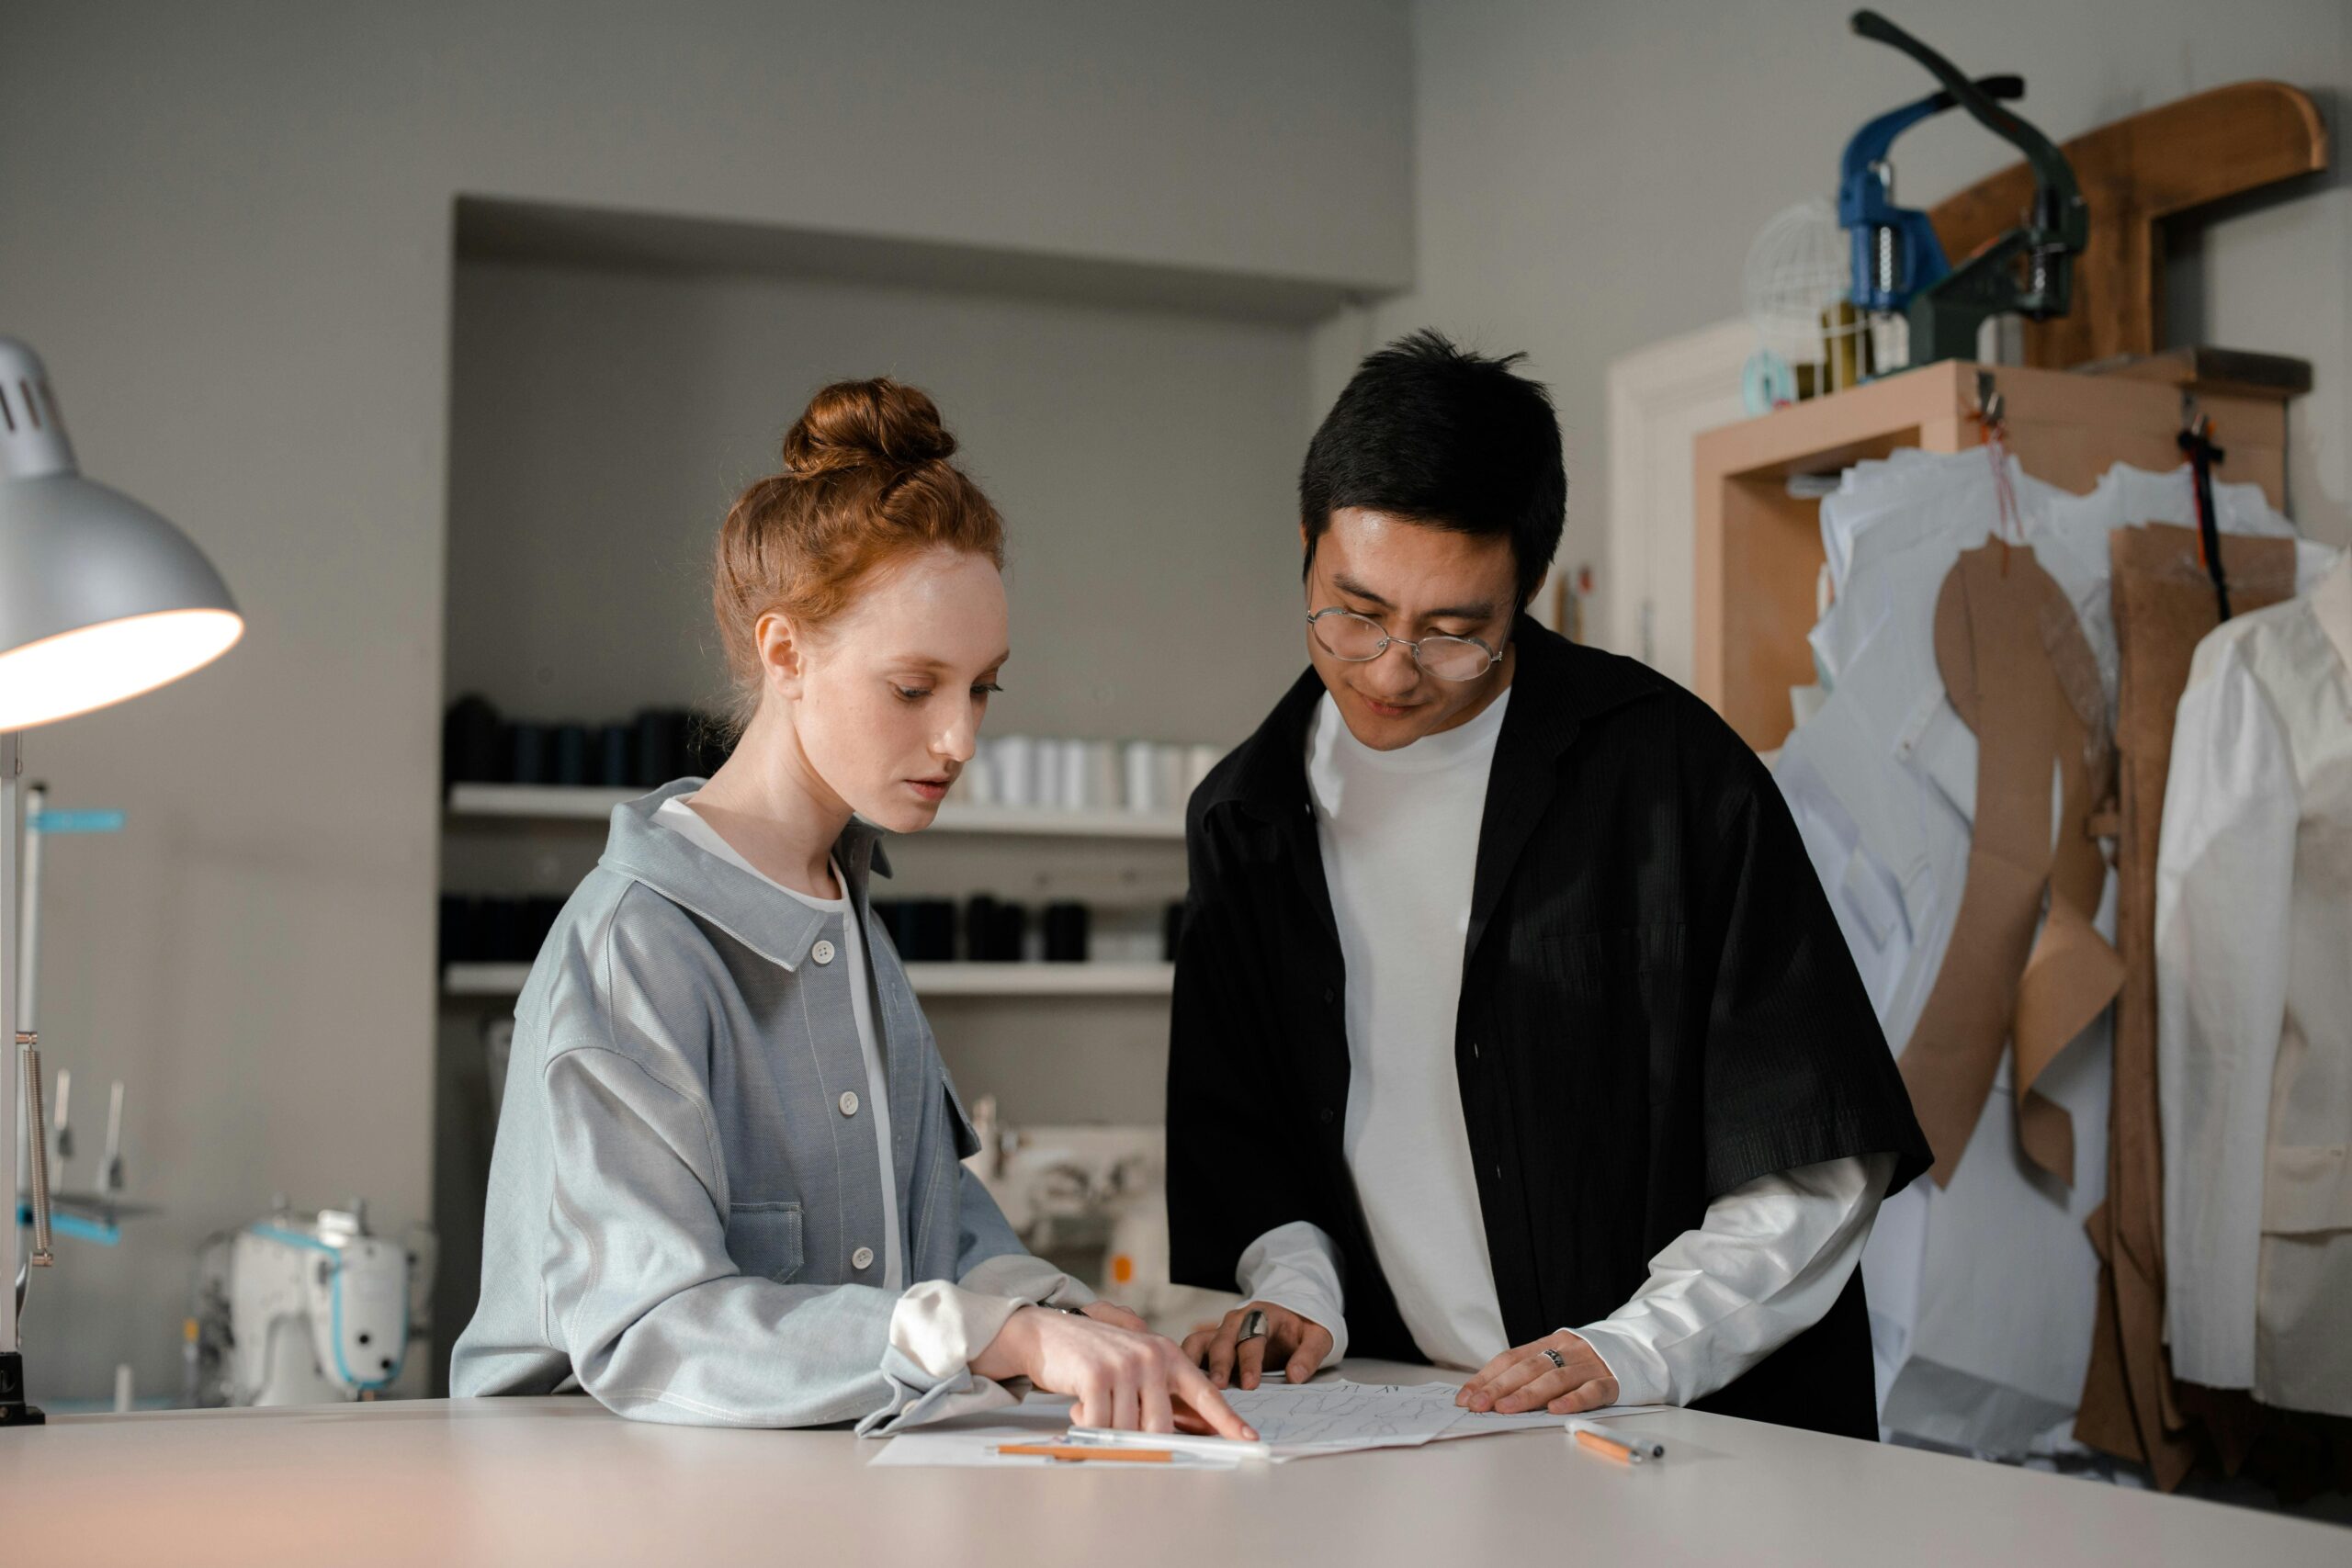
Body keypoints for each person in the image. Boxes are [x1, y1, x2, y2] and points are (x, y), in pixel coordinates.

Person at [453, 378, 1250, 1440]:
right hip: (593, 1498)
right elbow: (652, 1330)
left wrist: (1066, 1314)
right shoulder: (635, 946)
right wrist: (997, 1338)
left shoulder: (845, 916)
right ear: (786, 654)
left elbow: (933, 1232)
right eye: (916, 688)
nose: (961, 738)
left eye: (982, 689)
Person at [1166, 332, 1929, 1438]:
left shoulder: (1671, 774)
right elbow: (1256, 1142)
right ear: (1305, 543)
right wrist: (1295, 1289)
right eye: (1356, 610)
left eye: (1452, 632)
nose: (1390, 669)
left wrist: (1637, 1347)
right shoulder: (1247, 817)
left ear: (1526, 594)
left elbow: (1814, 1155)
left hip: (1697, 1425)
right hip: (1407, 1423)